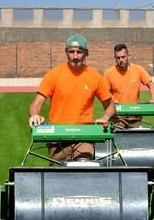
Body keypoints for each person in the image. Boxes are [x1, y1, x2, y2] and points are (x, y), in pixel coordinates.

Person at [28, 33, 115, 161]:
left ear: (86, 53)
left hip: (84, 137)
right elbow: (37, 103)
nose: (75, 56)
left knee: (83, 167)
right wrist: (35, 114)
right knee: (59, 175)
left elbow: (110, 105)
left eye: (79, 52)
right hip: (57, 138)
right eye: (71, 52)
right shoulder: (54, 75)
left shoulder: (95, 77)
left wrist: (105, 117)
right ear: (66, 52)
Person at [103, 43, 154, 128]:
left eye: (123, 57)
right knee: (119, 139)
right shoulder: (109, 73)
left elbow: (150, 84)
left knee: (135, 139)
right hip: (118, 117)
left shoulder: (138, 70)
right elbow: (105, 93)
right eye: (118, 58)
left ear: (128, 56)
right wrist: (112, 100)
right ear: (115, 58)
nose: (121, 60)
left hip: (135, 116)